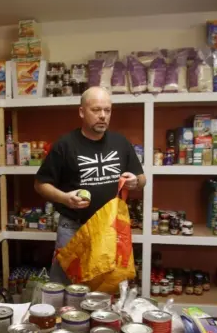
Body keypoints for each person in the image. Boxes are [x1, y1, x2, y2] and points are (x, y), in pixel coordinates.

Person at [34, 87, 146, 284]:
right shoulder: (65, 145)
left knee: (106, 286)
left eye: (107, 110)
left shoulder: (121, 142)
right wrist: (65, 198)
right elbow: (40, 184)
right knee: (65, 288)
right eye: (96, 110)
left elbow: (142, 178)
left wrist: (136, 182)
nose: (103, 116)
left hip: (110, 229)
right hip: (73, 229)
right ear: (81, 112)